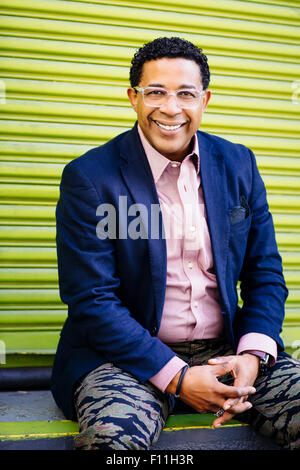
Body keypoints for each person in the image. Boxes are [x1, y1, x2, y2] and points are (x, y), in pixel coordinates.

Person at [51, 36, 300, 450]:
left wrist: (252, 356)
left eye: (185, 93)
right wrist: (178, 377)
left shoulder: (239, 164)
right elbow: (92, 299)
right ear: (133, 98)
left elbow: (265, 274)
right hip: (123, 357)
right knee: (113, 446)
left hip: (229, 349)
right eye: (155, 92)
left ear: (204, 100)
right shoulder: (91, 178)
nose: (171, 108)